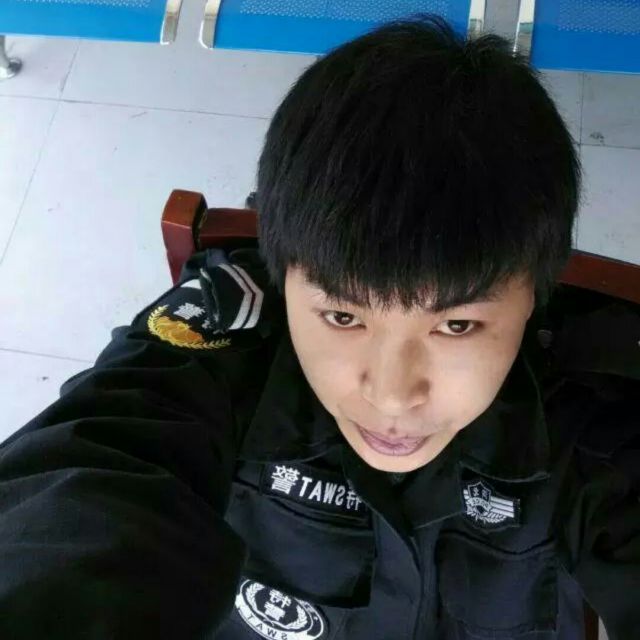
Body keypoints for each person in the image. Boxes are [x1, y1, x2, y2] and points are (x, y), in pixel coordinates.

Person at [0, 14, 638, 640]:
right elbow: (83, 480)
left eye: (457, 325)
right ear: (282, 277)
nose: (392, 395)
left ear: (535, 297)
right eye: (343, 316)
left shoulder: (587, 411)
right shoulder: (224, 351)